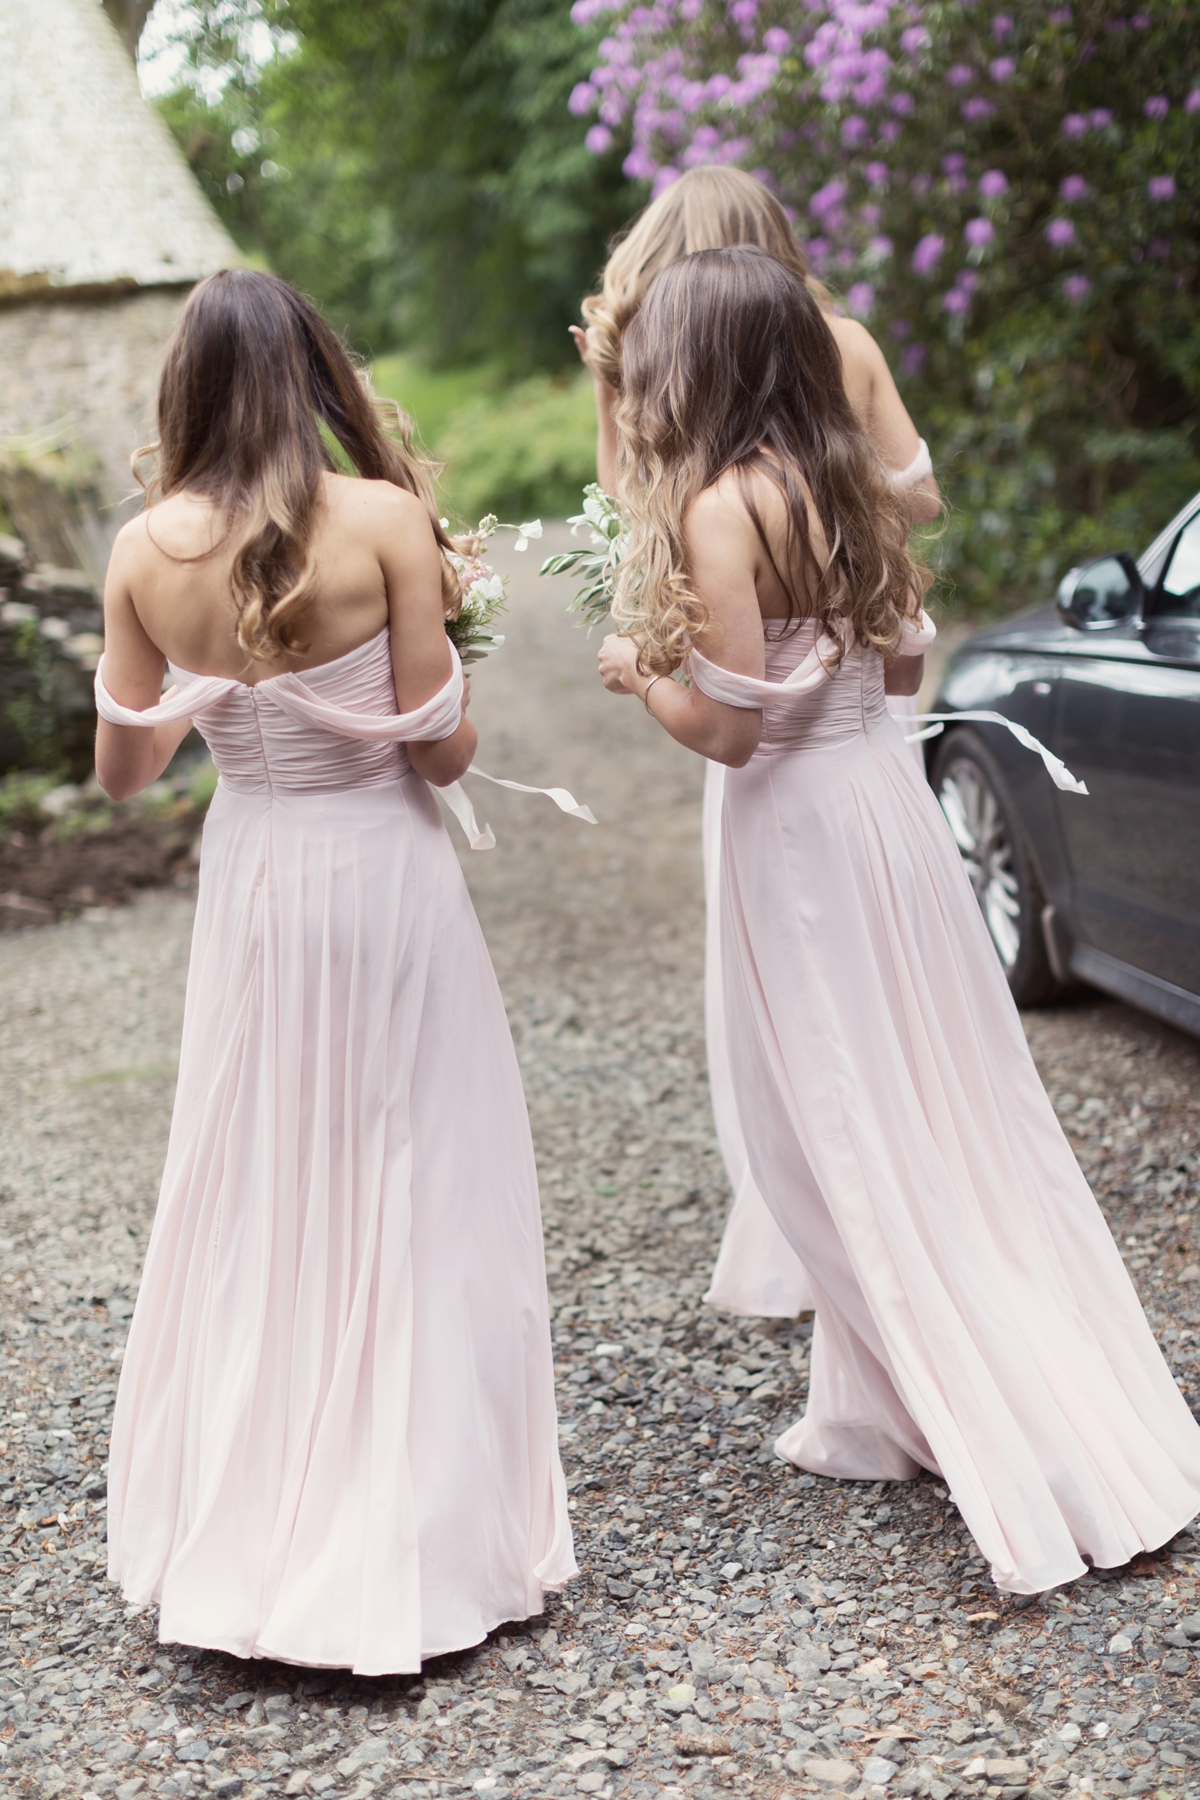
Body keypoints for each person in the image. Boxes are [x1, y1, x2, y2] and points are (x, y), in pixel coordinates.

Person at [596, 244, 1200, 1593]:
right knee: (937, 1097)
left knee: (823, 1117)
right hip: (888, 811)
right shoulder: (853, 491)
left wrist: (642, 679)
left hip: (801, 832)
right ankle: (895, 1397)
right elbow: (910, 658)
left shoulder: (721, 510)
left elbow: (737, 731)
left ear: (706, 367)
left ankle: (960, 1396)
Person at [95, 270, 575, 1674]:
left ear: (185, 390)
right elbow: (440, 748)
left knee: (263, 1176)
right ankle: (415, 1527)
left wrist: (221, 691)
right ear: (310, 373)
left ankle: (251, 1517)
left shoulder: (140, 551)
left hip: (256, 881)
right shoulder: (377, 519)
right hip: (380, 872)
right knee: (416, 1168)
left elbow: (126, 774)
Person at [572, 165, 938, 1324]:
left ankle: (830, 1228)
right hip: (860, 719)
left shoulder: (714, 467)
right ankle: (882, 1223)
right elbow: (911, 529)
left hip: (778, 730)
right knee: (891, 985)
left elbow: (644, 524)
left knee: (801, 994)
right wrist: (848, 532)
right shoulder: (841, 357)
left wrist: (648, 663)